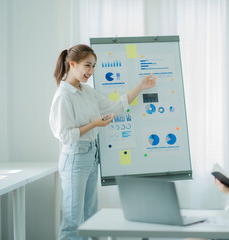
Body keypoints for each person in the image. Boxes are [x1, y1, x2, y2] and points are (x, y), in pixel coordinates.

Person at [49, 44, 157, 239]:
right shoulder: (64, 95)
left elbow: (116, 107)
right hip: (75, 158)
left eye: (94, 66)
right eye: (87, 66)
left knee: (90, 218)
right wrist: (94, 124)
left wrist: (140, 87)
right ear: (72, 64)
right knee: (73, 221)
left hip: (91, 156)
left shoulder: (87, 92)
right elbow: (65, 136)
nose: (91, 71)